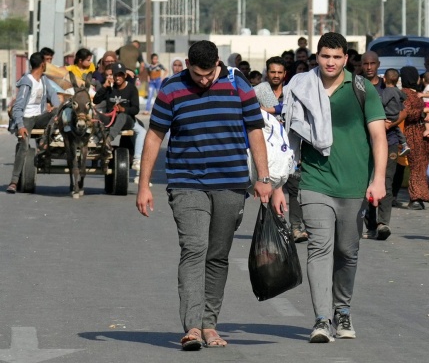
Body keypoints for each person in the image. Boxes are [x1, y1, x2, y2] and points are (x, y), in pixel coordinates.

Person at [136, 40, 272, 350]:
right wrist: (143, 185)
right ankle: (192, 327)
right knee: (194, 247)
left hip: (231, 183)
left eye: (209, 75)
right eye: (197, 75)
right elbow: (155, 135)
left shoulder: (238, 85)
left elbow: (254, 130)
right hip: (186, 183)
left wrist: (263, 177)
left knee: (217, 255)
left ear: (218, 64)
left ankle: (211, 324)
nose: (203, 81)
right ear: (187, 64)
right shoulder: (171, 89)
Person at [273, 32, 387, 343]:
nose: (331, 62)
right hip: (314, 181)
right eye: (325, 56)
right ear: (317, 56)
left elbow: (378, 137)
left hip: (353, 186)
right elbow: (284, 133)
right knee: (319, 248)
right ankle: (322, 319)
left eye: (337, 57)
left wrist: (378, 179)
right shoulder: (301, 87)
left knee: (347, 251)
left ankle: (342, 309)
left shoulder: (361, 89)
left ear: (346, 59)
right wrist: (277, 184)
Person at [254, 56, 307, 242]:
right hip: (267, 150)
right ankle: (273, 226)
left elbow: (295, 110)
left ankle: (295, 227)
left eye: (279, 72)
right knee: (269, 187)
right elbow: (251, 111)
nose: (276, 76)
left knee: (294, 188)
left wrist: (268, 110)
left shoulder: (292, 91)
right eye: (272, 72)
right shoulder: (259, 91)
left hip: (291, 147)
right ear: (266, 73)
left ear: (285, 74)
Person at [6, 52, 61, 194]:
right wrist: (20, 126)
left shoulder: (43, 79)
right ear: (42, 64)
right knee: (23, 146)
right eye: (45, 62)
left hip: (39, 117)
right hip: (26, 119)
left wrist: (55, 106)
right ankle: (13, 181)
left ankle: (43, 140)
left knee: (56, 113)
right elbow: (17, 107)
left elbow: (52, 94)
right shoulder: (27, 81)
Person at [361, 51, 400, 240]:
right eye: (365, 63)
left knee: (386, 180)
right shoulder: (356, 86)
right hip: (363, 143)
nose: (369, 67)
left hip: (389, 141)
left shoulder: (388, 86)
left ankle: (383, 223)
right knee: (365, 183)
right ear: (361, 65)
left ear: (378, 64)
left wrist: (390, 124)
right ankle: (370, 224)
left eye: (372, 63)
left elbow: (404, 111)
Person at [93, 62, 145, 171]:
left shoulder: (131, 89)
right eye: (116, 75)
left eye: (121, 75)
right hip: (111, 118)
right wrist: (104, 87)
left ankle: (109, 140)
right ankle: (97, 144)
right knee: (96, 116)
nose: (118, 78)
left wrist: (123, 109)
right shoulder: (109, 88)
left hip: (127, 120)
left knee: (122, 116)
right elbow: (96, 100)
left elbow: (136, 109)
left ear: (125, 76)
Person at [400, 66, 429, 210]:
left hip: (420, 134)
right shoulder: (405, 94)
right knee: (416, 167)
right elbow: (407, 112)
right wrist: (424, 111)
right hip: (412, 133)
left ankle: (419, 197)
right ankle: (416, 198)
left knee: (420, 166)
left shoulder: (414, 93)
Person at [382, 68, 411, 156]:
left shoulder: (387, 91)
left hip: (388, 115)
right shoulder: (397, 90)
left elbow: (382, 102)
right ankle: (404, 145)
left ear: (384, 78)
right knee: (396, 128)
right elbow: (404, 97)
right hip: (396, 114)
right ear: (398, 80)